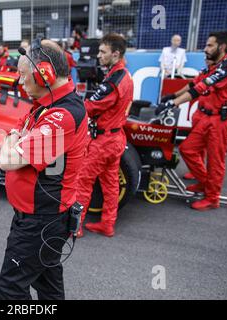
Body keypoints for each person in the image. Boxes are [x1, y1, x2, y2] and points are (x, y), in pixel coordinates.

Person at [0, 39, 88, 300]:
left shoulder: (62, 115)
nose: (19, 82)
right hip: (41, 217)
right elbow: (16, 130)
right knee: (47, 285)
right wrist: (13, 138)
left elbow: (8, 160)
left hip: (41, 220)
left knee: (10, 288)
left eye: (23, 75)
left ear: (44, 73)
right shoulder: (45, 104)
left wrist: (11, 140)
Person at [157, 31, 227, 211]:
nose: (205, 49)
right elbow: (194, 83)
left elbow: (199, 88)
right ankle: (205, 183)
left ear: (221, 47)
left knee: (215, 161)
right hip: (208, 117)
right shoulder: (213, 66)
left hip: (222, 120)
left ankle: (212, 198)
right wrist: (172, 95)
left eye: (209, 45)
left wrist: (172, 103)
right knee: (187, 149)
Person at [76, 33, 134, 238]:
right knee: (110, 184)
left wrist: (71, 109)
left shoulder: (115, 79)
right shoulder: (124, 75)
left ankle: (76, 227)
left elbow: (91, 107)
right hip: (116, 138)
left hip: (103, 141)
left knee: (83, 181)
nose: (98, 55)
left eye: (102, 52)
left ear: (115, 54)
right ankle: (107, 224)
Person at [160, 58, 215, 181]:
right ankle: (197, 171)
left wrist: (173, 101)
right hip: (200, 112)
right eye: (205, 58)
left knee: (205, 148)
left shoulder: (220, 73)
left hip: (213, 115)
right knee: (196, 146)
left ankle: (206, 179)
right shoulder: (205, 71)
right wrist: (174, 95)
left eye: (209, 58)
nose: (206, 60)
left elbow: (195, 90)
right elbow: (192, 85)